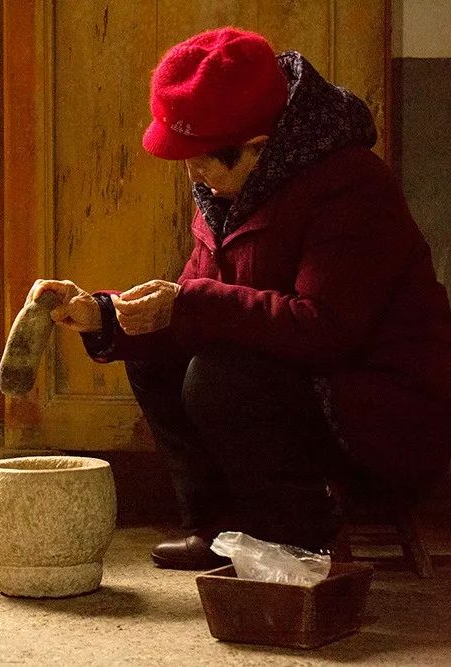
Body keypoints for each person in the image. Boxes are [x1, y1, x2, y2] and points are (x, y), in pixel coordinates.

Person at [30, 27, 451, 569]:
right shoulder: (227, 187)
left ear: (258, 147)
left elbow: (325, 329)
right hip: (294, 382)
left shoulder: (352, 186)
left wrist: (186, 305)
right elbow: (200, 307)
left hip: (377, 415)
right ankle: (217, 528)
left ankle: (297, 545)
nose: (191, 172)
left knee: (221, 375)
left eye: (202, 159)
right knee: (153, 357)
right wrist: (102, 315)